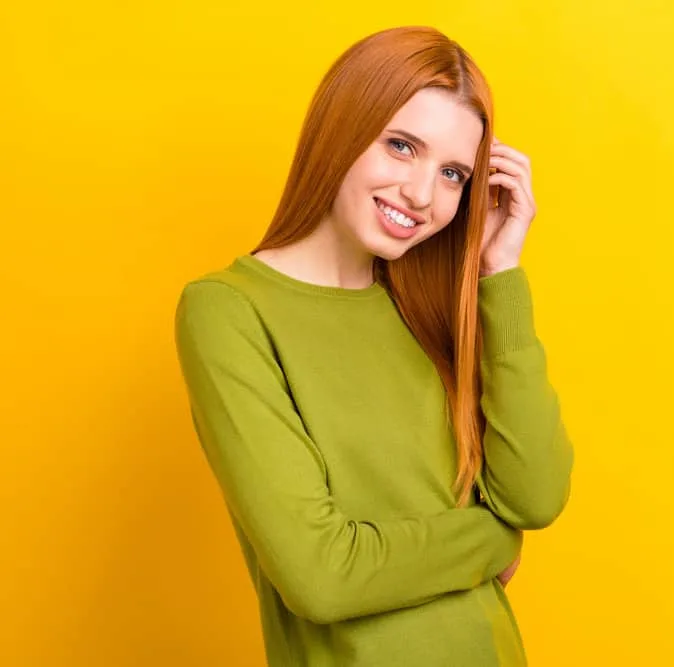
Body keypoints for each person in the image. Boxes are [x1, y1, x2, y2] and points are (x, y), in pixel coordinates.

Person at [173, 25, 574, 666]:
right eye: (400, 146)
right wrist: (493, 541)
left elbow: (536, 496)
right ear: (343, 126)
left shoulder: (428, 309)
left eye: (451, 173)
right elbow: (321, 574)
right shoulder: (229, 311)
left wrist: (501, 275)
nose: (421, 195)